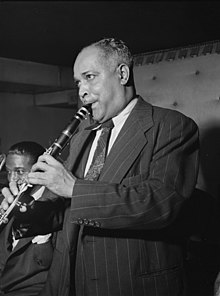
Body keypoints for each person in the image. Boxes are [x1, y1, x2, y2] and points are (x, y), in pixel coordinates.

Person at [1, 38, 199, 296]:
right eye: (78, 82)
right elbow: (65, 211)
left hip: (129, 284)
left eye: (90, 77)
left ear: (122, 74)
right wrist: (29, 212)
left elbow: (160, 204)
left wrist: (73, 188)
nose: (82, 90)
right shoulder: (83, 132)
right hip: (67, 282)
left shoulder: (171, 126)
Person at [0, 141, 64, 296]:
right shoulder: (6, 197)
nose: (13, 179)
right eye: (9, 172)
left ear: (40, 170)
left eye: (20, 171)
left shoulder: (57, 205)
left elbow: (55, 266)